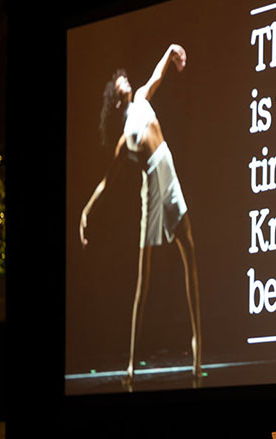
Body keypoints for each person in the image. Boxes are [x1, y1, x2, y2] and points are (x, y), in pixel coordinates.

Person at [79, 43, 201, 390]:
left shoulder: (143, 97)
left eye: (124, 78)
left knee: (189, 251)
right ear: (115, 99)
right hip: (151, 187)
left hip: (169, 170)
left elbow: (158, 73)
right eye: (118, 82)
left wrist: (171, 49)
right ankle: (132, 363)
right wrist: (86, 212)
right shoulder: (123, 140)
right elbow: (106, 182)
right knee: (142, 282)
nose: (124, 80)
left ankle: (196, 345)